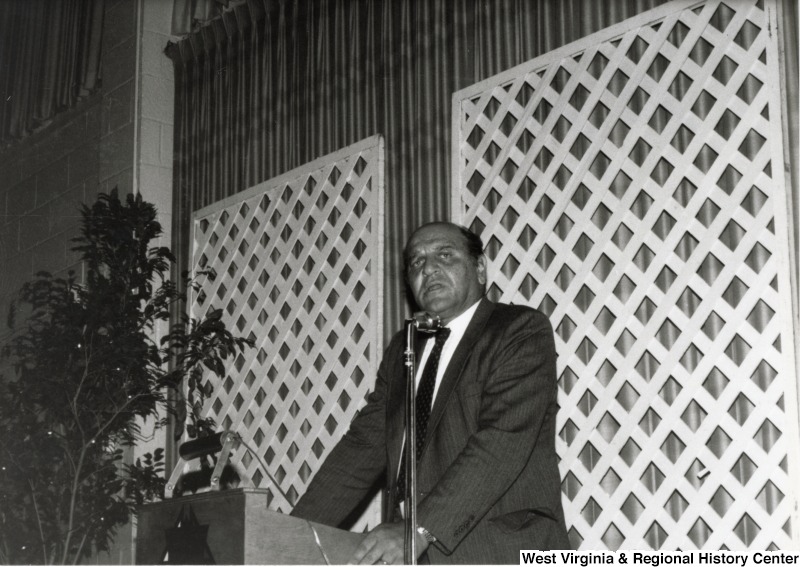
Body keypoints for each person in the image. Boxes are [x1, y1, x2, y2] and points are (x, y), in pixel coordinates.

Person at [291, 222, 570, 563]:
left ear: (480, 268)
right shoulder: (402, 352)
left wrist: (419, 529)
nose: (429, 268)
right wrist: (288, 532)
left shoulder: (518, 331)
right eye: (417, 262)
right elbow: (361, 449)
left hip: (500, 551)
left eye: (445, 254)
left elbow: (501, 442)